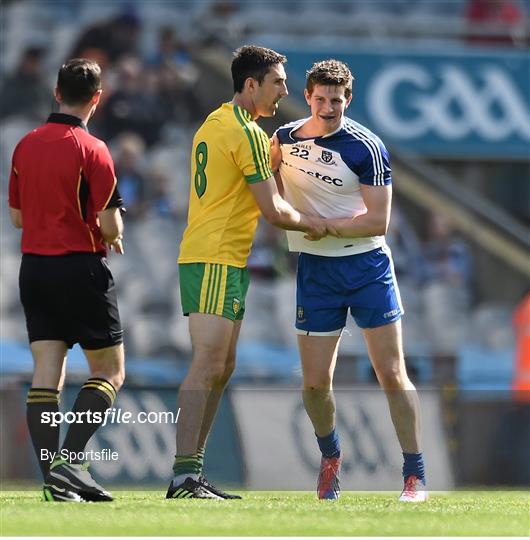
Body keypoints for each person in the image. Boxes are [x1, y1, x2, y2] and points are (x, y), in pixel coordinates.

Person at [168, 45, 326, 500]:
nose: (285, 90)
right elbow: (274, 211)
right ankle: (183, 475)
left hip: (220, 256)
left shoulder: (218, 122)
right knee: (209, 362)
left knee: (223, 365)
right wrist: (316, 223)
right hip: (216, 255)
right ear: (251, 84)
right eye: (278, 81)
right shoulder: (248, 134)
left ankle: (190, 473)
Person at [271, 59, 427, 502]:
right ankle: (331, 458)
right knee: (315, 383)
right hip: (316, 271)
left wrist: (322, 224)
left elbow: (378, 220)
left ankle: (414, 474)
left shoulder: (367, 146)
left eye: (336, 100)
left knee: (392, 373)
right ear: (307, 97)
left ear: (348, 100)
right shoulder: (283, 139)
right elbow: (262, 181)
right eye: (320, 99)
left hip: (366, 267)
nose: (328, 107)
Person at [8, 58, 125, 502]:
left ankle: (52, 481)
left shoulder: (25, 145)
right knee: (110, 371)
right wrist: (115, 234)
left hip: (34, 269)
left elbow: (16, 217)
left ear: (56, 92)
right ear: (97, 98)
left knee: (46, 373)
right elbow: (110, 225)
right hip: (80, 267)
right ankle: (71, 463)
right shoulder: (92, 149)